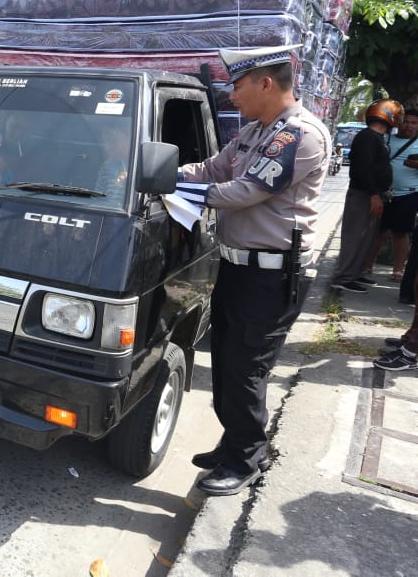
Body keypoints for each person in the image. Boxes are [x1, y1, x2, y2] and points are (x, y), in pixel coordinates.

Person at [174, 44, 331, 496]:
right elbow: (211, 168)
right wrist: (165, 171)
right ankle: (233, 442)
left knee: (247, 368)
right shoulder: (252, 133)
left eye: (237, 85)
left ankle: (245, 460)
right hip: (239, 268)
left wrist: (185, 193)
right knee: (224, 359)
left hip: (272, 276)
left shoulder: (298, 134)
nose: (231, 95)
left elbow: (246, 190)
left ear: (266, 82)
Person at [330, 100, 401, 293]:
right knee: (355, 236)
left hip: (372, 194)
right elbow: (362, 169)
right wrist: (373, 194)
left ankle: (354, 273)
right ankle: (344, 276)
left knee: (366, 238)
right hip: (364, 194)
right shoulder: (367, 137)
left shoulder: (376, 138)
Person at [362, 109, 418, 282]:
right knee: (377, 231)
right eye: (406, 121)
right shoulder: (384, 139)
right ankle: (367, 265)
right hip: (382, 194)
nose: (409, 126)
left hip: (409, 194)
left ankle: (398, 270)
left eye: (414, 123)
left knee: (401, 233)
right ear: (398, 122)